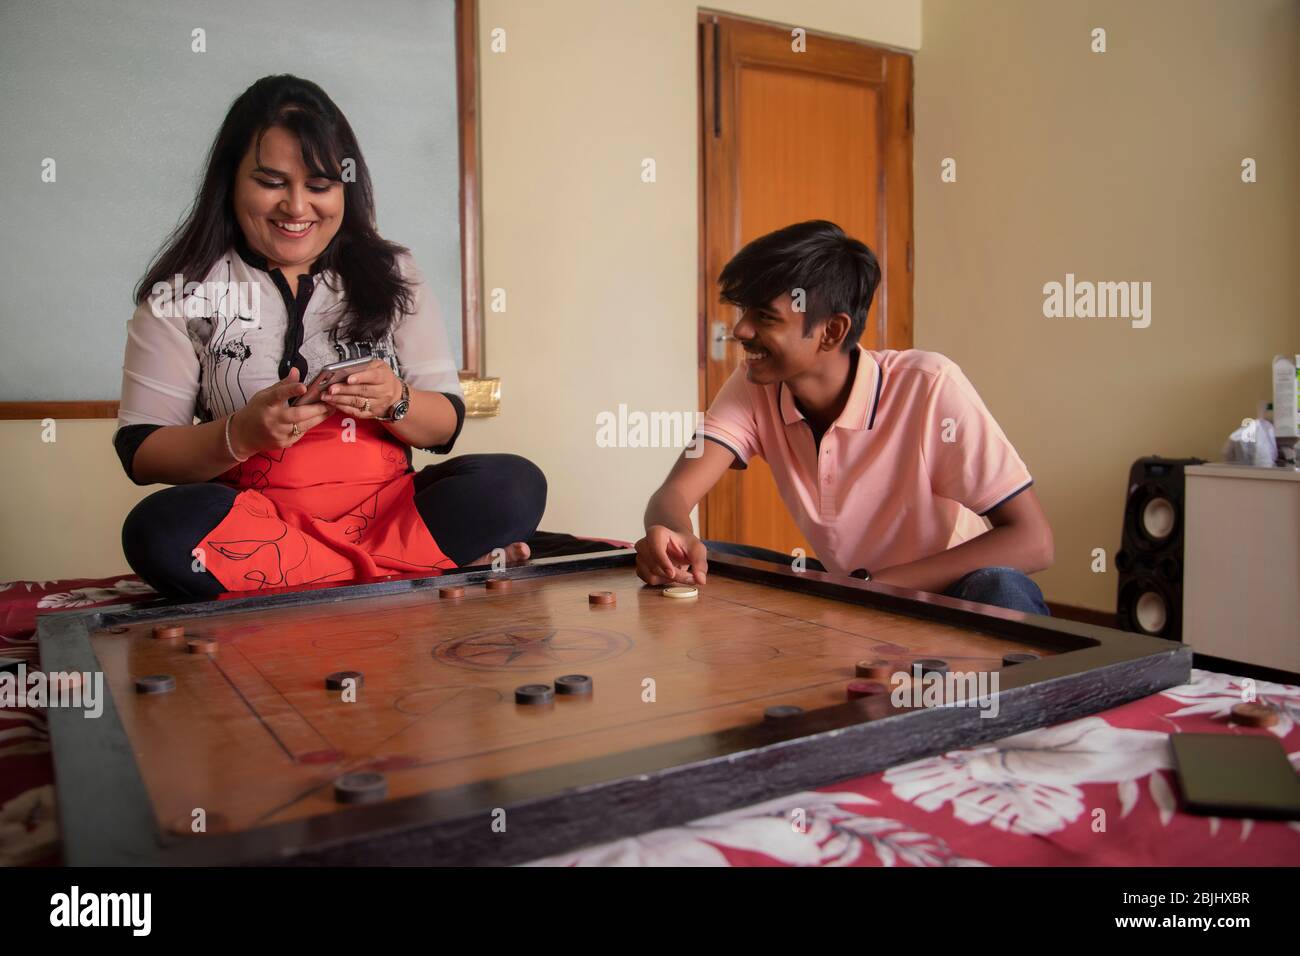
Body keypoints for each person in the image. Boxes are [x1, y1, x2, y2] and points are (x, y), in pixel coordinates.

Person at [115, 75, 545, 599]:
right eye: (271, 182)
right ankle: (407, 572)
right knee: (157, 530)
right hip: (262, 528)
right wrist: (242, 434)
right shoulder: (181, 292)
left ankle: (314, 580)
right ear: (230, 181)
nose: (297, 208)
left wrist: (397, 400)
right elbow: (142, 453)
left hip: (389, 516)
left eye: (319, 186)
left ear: (346, 187)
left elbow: (444, 424)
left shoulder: (395, 272)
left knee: (514, 484)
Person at [634, 220, 1053, 615]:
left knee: (1002, 587)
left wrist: (872, 584)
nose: (741, 330)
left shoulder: (929, 385)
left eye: (764, 317)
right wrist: (673, 535)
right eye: (743, 312)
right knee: (708, 562)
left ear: (832, 331)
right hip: (851, 588)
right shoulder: (754, 383)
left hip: (944, 593)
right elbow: (670, 496)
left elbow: (1033, 541)